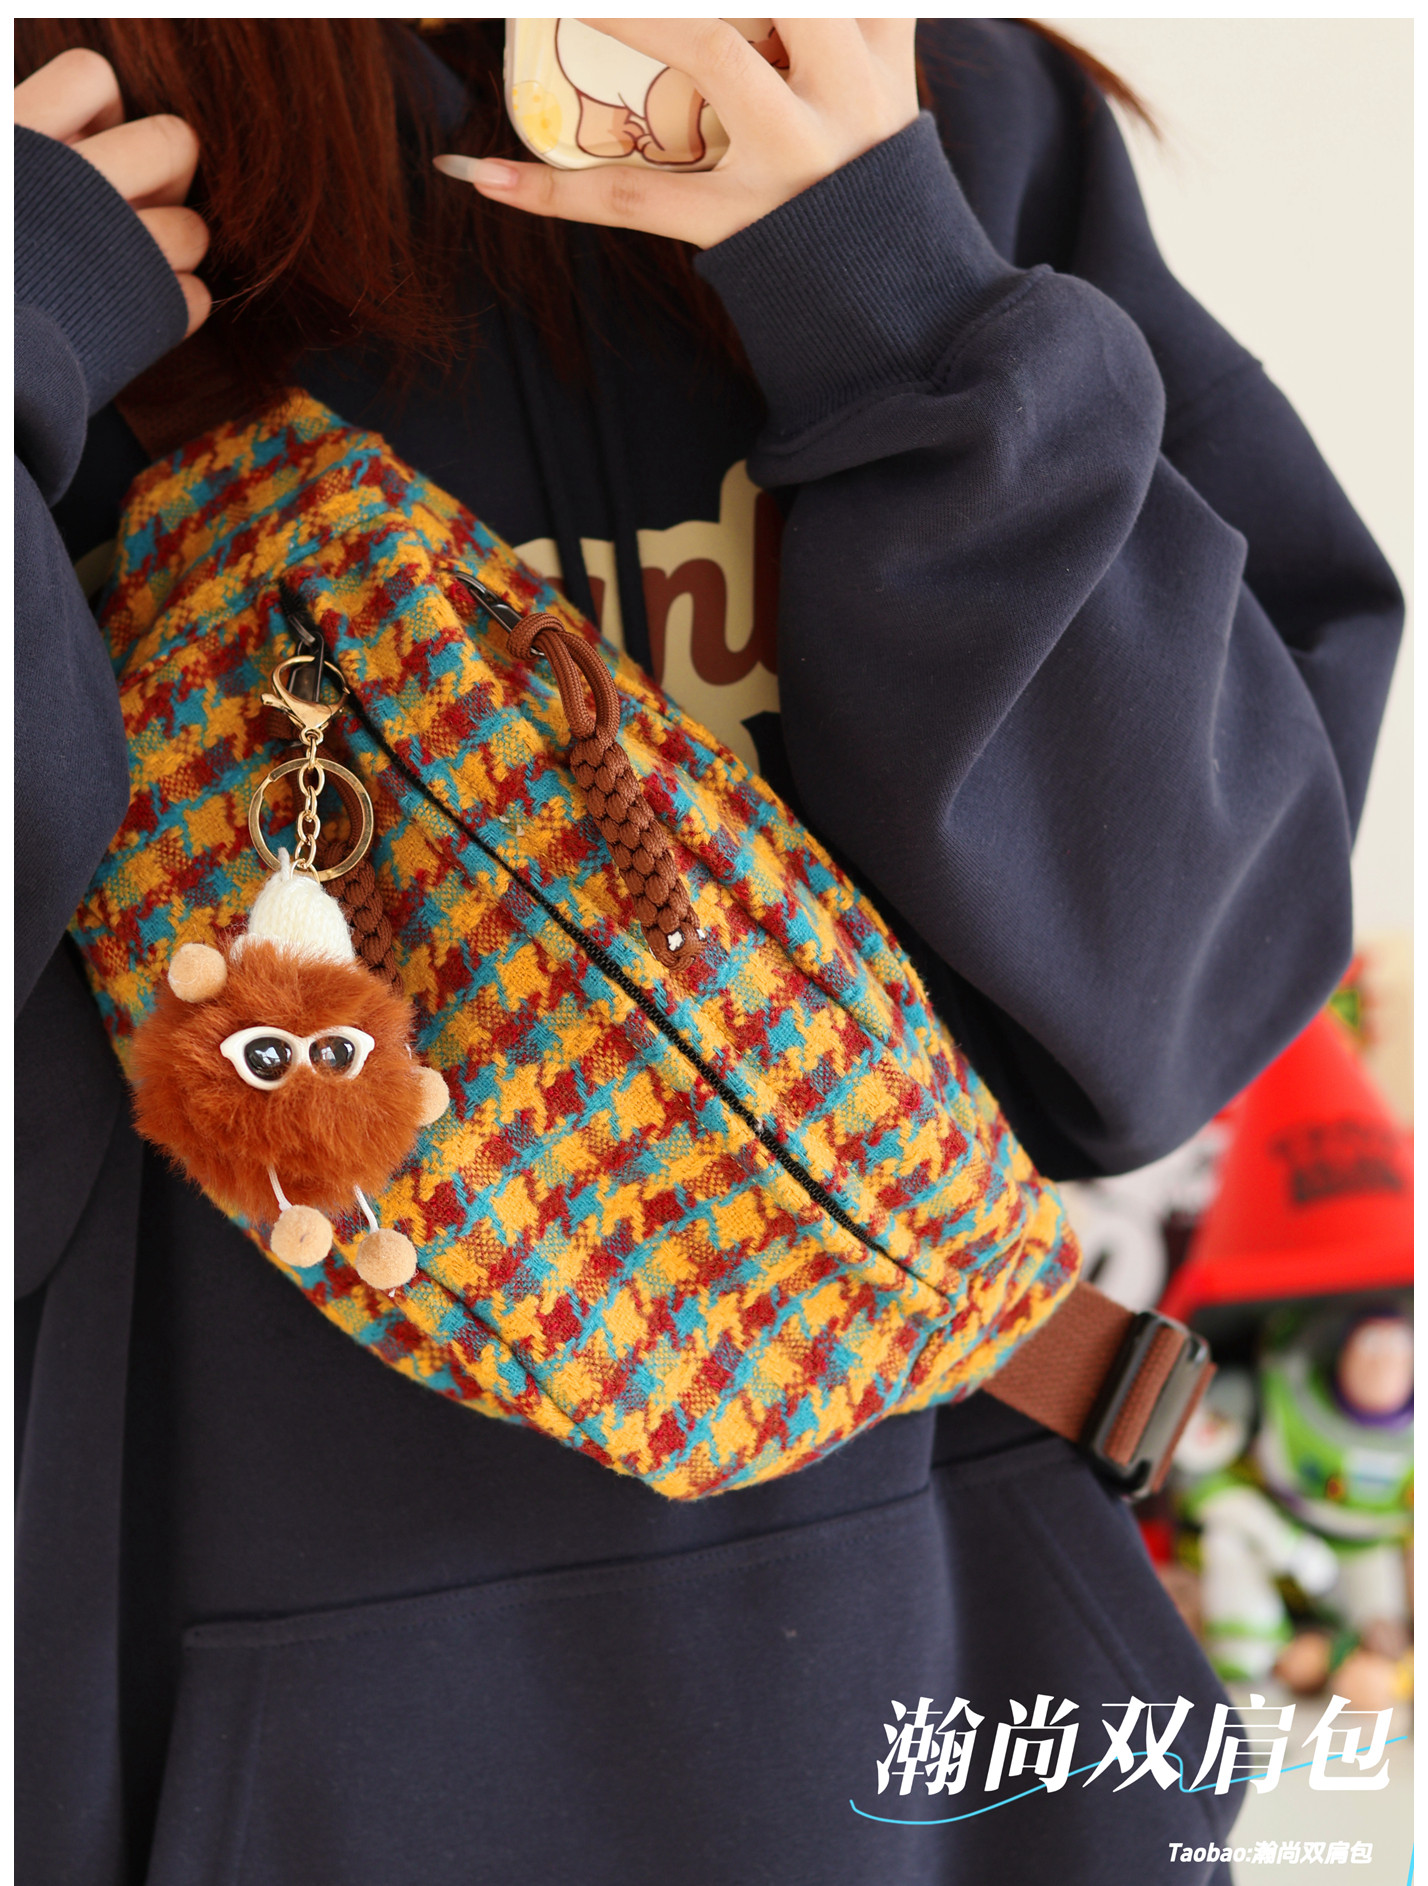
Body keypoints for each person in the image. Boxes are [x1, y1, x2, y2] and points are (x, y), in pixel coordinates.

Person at [14, 21, 1402, 1885]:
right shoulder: (64, 151)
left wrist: (896, 298)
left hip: (963, 1748)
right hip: (261, 1758)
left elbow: (1173, 999)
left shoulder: (920, 96)